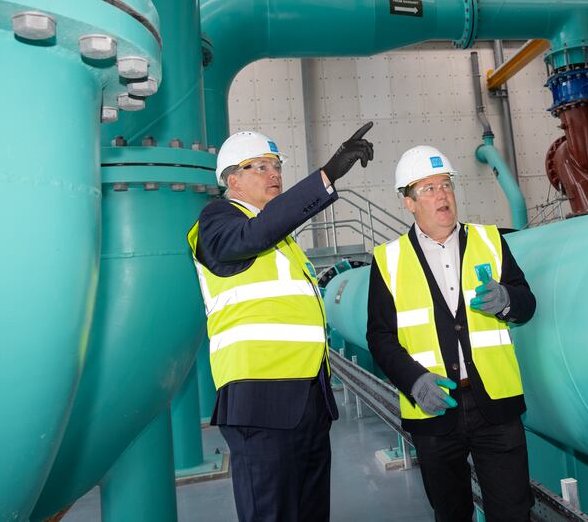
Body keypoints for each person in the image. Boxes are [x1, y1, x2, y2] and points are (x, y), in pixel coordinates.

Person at [187, 123, 375, 522]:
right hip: (259, 403)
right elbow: (254, 235)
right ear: (232, 179)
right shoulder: (215, 222)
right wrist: (327, 176)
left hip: (308, 399)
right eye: (260, 167)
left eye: (276, 165)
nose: (274, 174)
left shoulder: (283, 242)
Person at [366, 145, 537, 522]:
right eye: (427, 188)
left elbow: (526, 304)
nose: (441, 194)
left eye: (445, 184)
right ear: (408, 202)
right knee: (451, 512)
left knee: (513, 512)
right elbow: (380, 337)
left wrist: (507, 299)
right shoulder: (388, 260)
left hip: (495, 404)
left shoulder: (490, 241)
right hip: (434, 407)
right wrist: (413, 381)